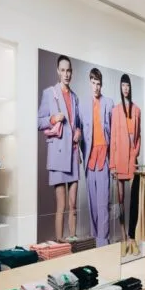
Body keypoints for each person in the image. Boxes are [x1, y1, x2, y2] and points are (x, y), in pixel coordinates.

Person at [37, 55, 82, 241]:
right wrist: (53, 118)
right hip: (58, 154)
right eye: (63, 70)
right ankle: (59, 246)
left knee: (73, 205)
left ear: (72, 72)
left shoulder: (75, 97)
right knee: (61, 206)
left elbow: (77, 124)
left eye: (68, 70)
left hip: (72, 153)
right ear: (58, 71)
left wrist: (78, 131)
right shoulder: (50, 93)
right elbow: (39, 122)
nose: (66, 74)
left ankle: (73, 243)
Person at [79, 68, 113, 246]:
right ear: (89, 83)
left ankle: (103, 243)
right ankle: (96, 240)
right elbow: (78, 130)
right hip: (90, 158)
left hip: (104, 157)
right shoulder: (83, 105)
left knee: (103, 203)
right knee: (92, 204)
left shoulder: (109, 103)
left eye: (98, 84)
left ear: (102, 85)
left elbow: (114, 134)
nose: (96, 87)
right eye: (93, 83)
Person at [110, 74, 141, 254]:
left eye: (127, 85)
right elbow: (113, 138)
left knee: (133, 200)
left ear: (130, 87)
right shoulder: (115, 110)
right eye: (123, 85)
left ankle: (132, 237)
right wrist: (112, 165)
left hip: (132, 159)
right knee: (120, 200)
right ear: (120, 88)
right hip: (119, 159)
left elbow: (138, 136)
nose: (125, 88)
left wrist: (135, 152)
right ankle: (123, 239)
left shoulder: (137, 110)